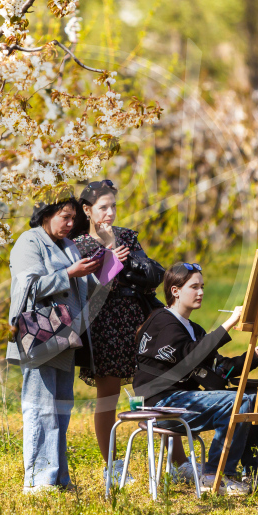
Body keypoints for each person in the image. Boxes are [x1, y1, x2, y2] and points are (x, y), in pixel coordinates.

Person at [132, 262, 258, 495]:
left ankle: (253, 474)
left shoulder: (194, 330)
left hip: (184, 400)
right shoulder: (162, 321)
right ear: (175, 291)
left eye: (202, 286)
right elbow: (192, 356)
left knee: (255, 399)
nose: (201, 292)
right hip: (161, 403)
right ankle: (215, 476)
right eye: (194, 287)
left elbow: (221, 370)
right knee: (238, 402)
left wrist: (257, 354)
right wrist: (229, 323)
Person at [69, 179, 164, 485]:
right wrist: (109, 253)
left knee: (154, 389)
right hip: (103, 325)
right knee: (107, 396)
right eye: (103, 207)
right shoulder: (78, 245)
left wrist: (124, 256)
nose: (109, 213)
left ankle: (175, 461)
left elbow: (148, 275)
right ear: (87, 210)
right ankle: (112, 464)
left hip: (136, 319)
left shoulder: (127, 237)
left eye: (113, 206)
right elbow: (93, 288)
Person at [7, 196, 101, 494]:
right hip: (40, 333)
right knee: (40, 407)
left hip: (66, 336)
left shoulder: (69, 246)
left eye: (74, 218)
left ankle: (58, 478)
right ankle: (37, 481)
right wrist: (69, 273)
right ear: (46, 214)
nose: (71, 224)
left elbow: (87, 289)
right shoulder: (29, 241)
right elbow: (28, 286)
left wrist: (106, 268)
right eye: (65, 217)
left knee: (60, 409)